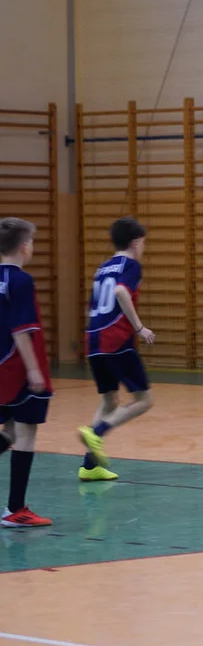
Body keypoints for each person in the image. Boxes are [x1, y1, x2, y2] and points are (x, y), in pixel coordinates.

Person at [77, 216, 156, 480]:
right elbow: (121, 292)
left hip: (94, 338)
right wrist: (139, 328)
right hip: (116, 339)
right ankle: (96, 433)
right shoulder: (131, 265)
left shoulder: (103, 268)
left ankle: (90, 467)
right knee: (144, 400)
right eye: (143, 242)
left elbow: (92, 305)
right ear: (135, 242)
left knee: (109, 399)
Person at [0, 217, 53, 527]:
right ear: (24, 247)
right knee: (26, 433)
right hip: (16, 367)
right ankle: (15, 509)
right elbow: (22, 329)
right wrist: (34, 370)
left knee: (6, 430)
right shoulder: (21, 281)